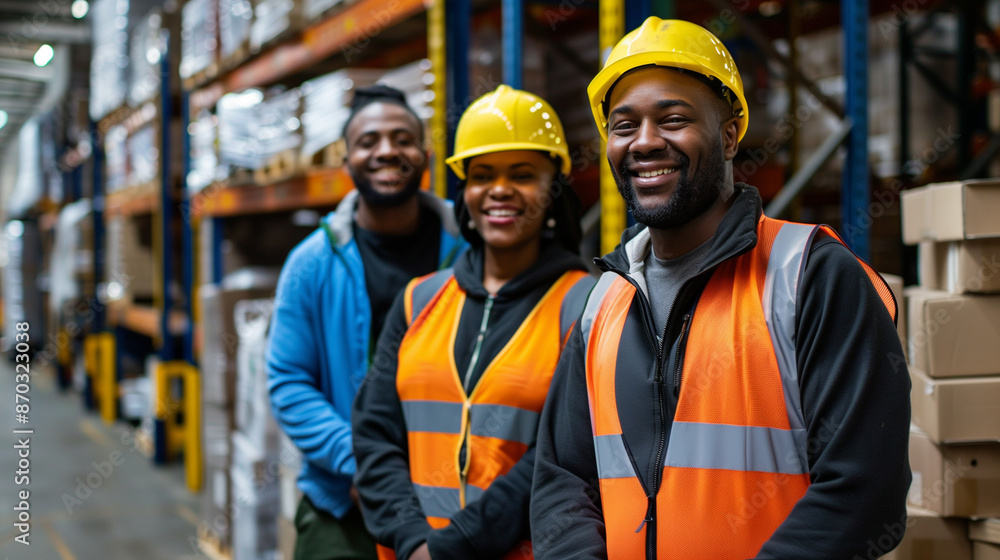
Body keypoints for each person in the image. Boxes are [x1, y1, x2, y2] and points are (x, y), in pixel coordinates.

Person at [529, 18, 911, 560]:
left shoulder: (812, 277)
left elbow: (865, 490)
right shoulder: (605, 301)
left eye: (674, 119)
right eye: (623, 126)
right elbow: (563, 477)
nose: (645, 143)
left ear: (730, 136)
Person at [352, 85, 595, 560]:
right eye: (482, 175)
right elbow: (374, 432)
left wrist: (454, 547)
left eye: (522, 175)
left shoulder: (584, 305)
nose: (499, 189)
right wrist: (412, 540)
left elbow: (563, 458)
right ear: (465, 190)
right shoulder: (418, 299)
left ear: (552, 191)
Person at [267, 84, 466, 560]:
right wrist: (362, 464)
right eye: (369, 141)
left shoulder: (470, 254)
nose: (386, 151)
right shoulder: (312, 263)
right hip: (344, 504)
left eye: (402, 139)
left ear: (425, 153)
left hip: (455, 497)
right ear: (347, 158)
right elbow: (289, 382)